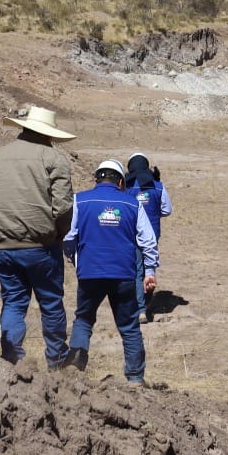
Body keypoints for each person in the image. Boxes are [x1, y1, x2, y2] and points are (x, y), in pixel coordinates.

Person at [0, 105, 75, 369]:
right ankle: (57, 360)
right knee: (50, 302)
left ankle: (11, 358)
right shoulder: (55, 159)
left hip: (4, 247)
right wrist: (60, 233)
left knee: (13, 302)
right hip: (42, 246)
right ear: (49, 133)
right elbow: (63, 207)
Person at [64, 159, 158, 384]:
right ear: (121, 182)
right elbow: (148, 240)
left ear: (96, 179)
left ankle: (74, 370)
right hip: (123, 274)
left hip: (90, 272)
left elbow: (68, 237)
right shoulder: (133, 204)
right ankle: (135, 379)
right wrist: (150, 270)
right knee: (129, 327)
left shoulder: (79, 200)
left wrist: (77, 260)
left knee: (84, 319)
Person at [123, 152, 172, 320]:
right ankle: (147, 302)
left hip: (132, 234)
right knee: (149, 267)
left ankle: (140, 309)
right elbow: (167, 210)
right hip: (153, 233)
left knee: (137, 269)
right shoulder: (158, 186)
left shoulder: (126, 186)